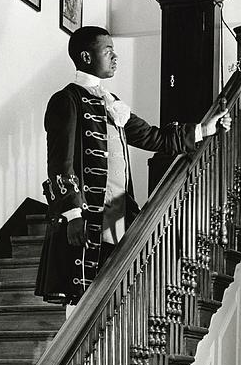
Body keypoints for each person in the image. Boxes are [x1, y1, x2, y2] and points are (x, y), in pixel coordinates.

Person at [35, 26, 231, 306]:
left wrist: (203, 129)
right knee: (81, 292)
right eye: (108, 51)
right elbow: (59, 163)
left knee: (110, 290)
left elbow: (155, 137)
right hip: (87, 213)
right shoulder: (67, 100)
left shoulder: (112, 102)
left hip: (118, 211)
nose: (115, 57)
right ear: (86, 57)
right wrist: (72, 212)